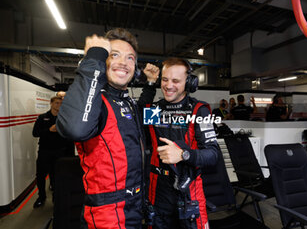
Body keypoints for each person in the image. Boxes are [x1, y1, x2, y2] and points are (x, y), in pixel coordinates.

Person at [56, 28, 160, 229]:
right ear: (103, 60)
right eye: (114, 55)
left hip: (137, 205)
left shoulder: (127, 101)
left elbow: (143, 117)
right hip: (106, 213)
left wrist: (151, 84)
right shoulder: (97, 102)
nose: (123, 62)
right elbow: (75, 129)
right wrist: (94, 57)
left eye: (130, 58)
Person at [145, 57, 219, 229]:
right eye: (165, 79)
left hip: (189, 189)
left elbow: (213, 154)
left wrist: (184, 155)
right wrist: (149, 82)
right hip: (158, 190)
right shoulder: (154, 110)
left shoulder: (199, 110)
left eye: (176, 81)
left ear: (189, 83)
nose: (168, 85)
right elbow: (138, 122)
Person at [32, 96, 74, 208]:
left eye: (61, 103)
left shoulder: (65, 118)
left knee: (57, 177)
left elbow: (69, 136)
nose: (58, 105)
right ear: (51, 103)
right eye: (56, 103)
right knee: (40, 176)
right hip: (44, 152)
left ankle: (57, 198)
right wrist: (49, 130)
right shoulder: (42, 118)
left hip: (60, 152)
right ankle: (41, 197)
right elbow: (35, 133)